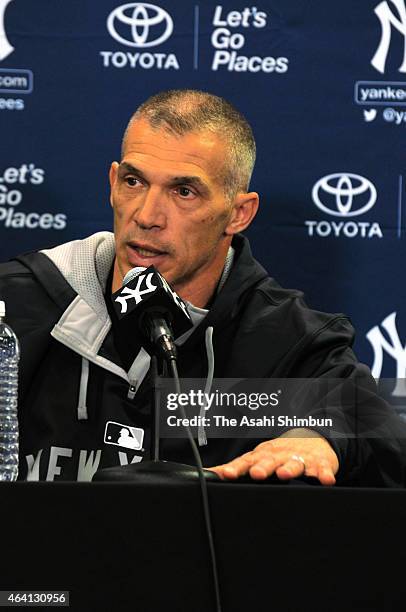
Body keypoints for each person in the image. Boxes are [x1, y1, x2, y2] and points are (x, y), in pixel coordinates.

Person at [0, 89, 405, 484]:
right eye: (134, 182)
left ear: (238, 213)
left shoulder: (282, 339)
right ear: (112, 182)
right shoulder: (20, 304)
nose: (146, 215)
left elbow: (371, 424)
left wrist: (315, 438)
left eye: (183, 192)